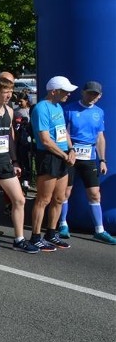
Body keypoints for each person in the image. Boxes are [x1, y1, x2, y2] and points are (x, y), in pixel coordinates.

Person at [0, 76, 37, 252]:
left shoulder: (9, 111)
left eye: (11, 91)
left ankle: (19, 238)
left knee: (19, 199)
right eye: (5, 92)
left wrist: (15, 160)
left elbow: (10, 138)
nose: (9, 95)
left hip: (6, 163)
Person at [29, 76, 78, 251]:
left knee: (59, 198)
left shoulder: (58, 106)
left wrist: (71, 150)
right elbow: (45, 140)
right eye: (65, 91)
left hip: (63, 155)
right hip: (49, 156)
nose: (68, 94)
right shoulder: (41, 108)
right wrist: (64, 156)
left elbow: (64, 131)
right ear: (53, 91)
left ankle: (51, 233)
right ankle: (35, 236)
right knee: (44, 199)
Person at [62, 81, 115, 244]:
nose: (92, 96)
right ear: (83, 92)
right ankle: (63, 225)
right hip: (70, 155)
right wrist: (71, 150)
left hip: (89, 157)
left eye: (95, 94)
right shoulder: (69, 109)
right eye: (89, 93)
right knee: (66, 191)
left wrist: (103, 160)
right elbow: (63, 132)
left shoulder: (99, 112)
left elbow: (100, 137)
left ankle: (99, 229)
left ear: (100, 96)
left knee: (94, 193)